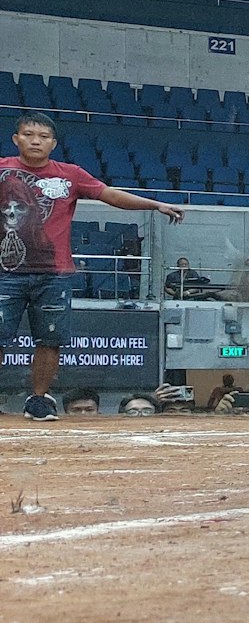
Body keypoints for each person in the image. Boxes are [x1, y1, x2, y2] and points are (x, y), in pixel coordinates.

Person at [2, 113, 184, 421]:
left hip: (54, 272)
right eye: (29, 134)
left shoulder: (69, 174)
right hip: (5, 271)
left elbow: (109, 194)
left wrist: (154, 204)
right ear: (16, 139)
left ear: (53, 143)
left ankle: (39, 400)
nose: (36, 140)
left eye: (43, 136)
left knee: (50, 339)